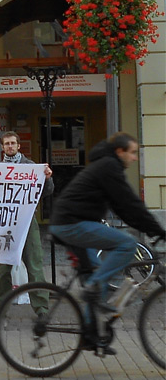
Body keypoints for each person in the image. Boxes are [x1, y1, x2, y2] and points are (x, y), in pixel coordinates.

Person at [50, 132, 166, 312]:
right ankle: (93, 287)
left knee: (96, 276)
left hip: (68, 222)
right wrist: (158, 230)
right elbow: (130, 203)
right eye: (132, 152)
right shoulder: (109, 166)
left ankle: (91, 327)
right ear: (120, 151)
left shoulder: (104, 165)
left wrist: (149, 228)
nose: (135, 158)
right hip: (73, 223)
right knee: (127, 244)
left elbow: (123, 208)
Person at [0, 131, 53, 323]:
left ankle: (41, 309)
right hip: (5, 222)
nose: (10, 146)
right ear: (2, 147)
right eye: (6, 144)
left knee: (34, 265)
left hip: (27, 221)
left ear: (18, 146)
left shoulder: (30, 167)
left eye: (13, 143)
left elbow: (47, 191)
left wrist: (47, 178)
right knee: (2, 267)